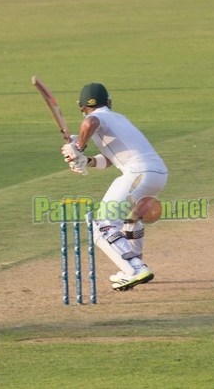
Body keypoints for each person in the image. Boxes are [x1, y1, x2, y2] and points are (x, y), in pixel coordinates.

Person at [61, 83, 168, 291]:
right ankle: (134, 261)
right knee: (130, 217)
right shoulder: (117, 118)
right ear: (108, 102)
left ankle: (135, 269)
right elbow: (111, 158)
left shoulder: (93, 118)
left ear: (81, 107)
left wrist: (79, 146)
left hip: (138, 173)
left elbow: (90, 121)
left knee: (102, 222)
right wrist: (87, 160)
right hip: (158, 173)